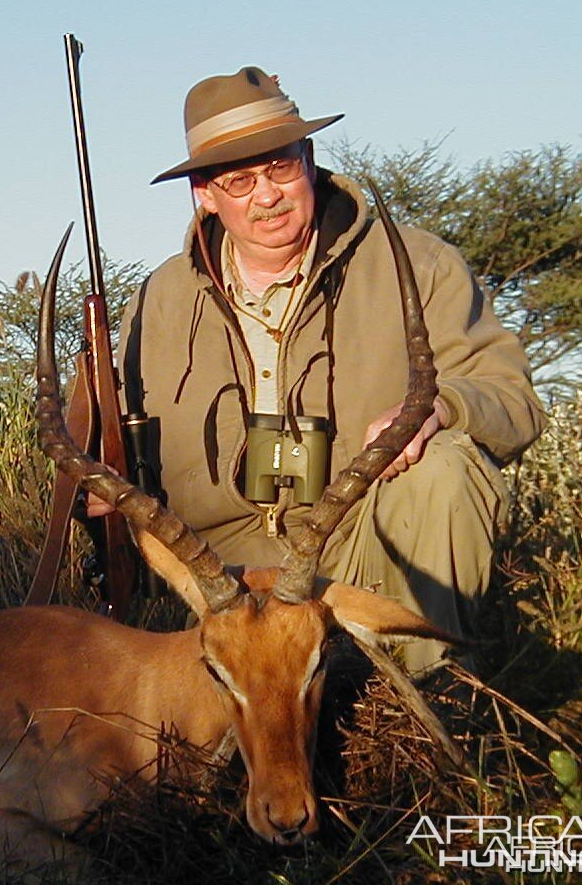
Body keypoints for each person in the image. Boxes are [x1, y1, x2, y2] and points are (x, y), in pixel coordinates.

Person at [111, 66, 545, 673]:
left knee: (444, 468)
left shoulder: (417, 264)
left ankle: (426, 705)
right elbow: (113, 438)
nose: (267, 195)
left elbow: (513, 400)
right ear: (204, 194)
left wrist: (439, 408)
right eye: (238, 179)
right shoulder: (159, 296)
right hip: (215, 581)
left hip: (355, 552)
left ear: (308, 159)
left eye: (280, 167)